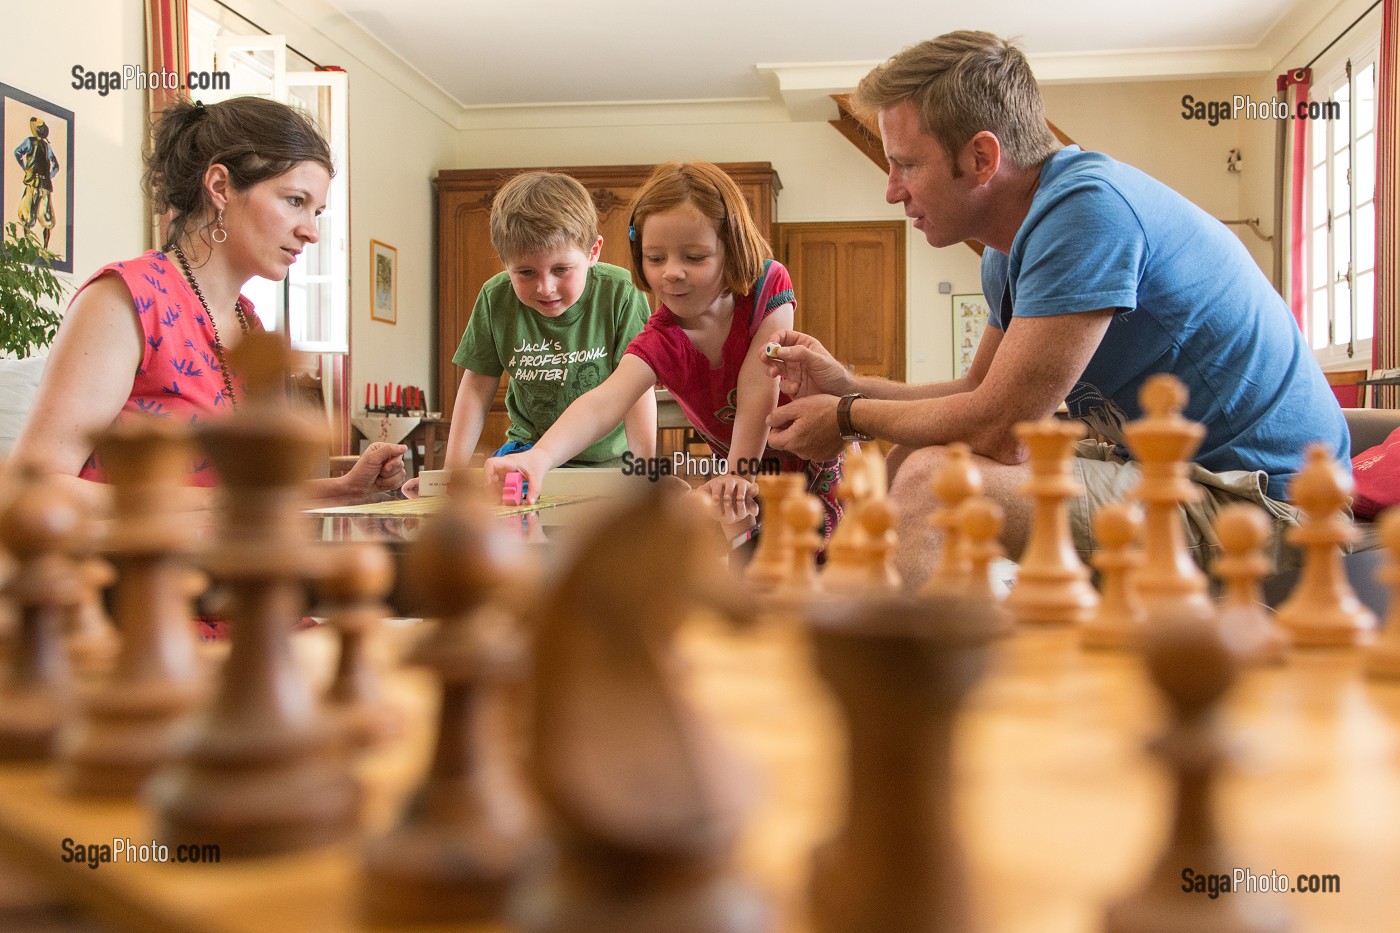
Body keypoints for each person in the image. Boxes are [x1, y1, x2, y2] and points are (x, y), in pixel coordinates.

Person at [763, 31, 1346, 583]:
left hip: (1271, 501)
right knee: (916, 454)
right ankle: (880, 649)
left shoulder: (1087, 212)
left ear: (983, 158)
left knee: (935, 480)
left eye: (907, 164)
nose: (892, 189)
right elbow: (979, 392)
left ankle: (913, 682)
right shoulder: (1008, 248)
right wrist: (845, 388)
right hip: (1170, 474)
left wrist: (846, 418)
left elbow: (999, 430)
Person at [6, 96, 406, 513]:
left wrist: (345, 489)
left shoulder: (248, 323)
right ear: (220, 187)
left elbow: (245, 500)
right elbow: (34, 485)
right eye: (294, 201)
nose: (311, 232)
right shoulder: (125, 299)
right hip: (127, 570)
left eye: (317, 212)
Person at [485, 161, 843, 536]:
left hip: (810, 461)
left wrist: (737, 472)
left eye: (695, 256)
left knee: (827, 567)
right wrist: (539, 457)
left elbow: (758, 385)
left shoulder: (767, 285)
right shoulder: (661, 339)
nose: (672, 272)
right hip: (739, 480)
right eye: (655, 258)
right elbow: (603, 402)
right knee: (752, 575)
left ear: (731, 249)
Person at [403, 172, 655, 496]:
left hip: (606, 463)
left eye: (561, 270)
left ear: (593, 252)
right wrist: (451, 473)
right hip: (524, 453)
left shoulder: (622, 292)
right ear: (505, 263)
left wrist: (645, 472)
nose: (545, 287)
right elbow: (477, 387)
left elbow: (637, 390)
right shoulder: (495, 297)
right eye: (525, 272)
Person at [13, 116, 59, 250]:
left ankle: (44, 248)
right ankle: (29, 246)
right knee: (29, 214)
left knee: (45, 217)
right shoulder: (35, 143)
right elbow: (56, 166)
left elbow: (17, 153)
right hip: (37, 183)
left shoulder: (42, 145)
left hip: (40, 184)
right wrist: (26, 169)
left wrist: (26, 168)